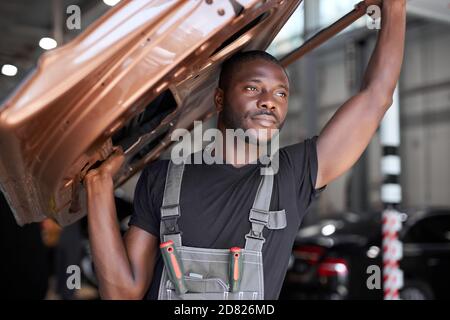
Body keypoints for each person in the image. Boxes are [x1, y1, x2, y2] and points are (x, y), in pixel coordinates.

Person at [84, 0, 406, 299]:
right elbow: (122, 293)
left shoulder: (292, 175)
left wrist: (395, 8)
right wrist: (98, 188)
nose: (269, 101)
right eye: (253, 88)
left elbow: (376, 96)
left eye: (281, 94)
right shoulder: (162, 178)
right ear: (220, 99)